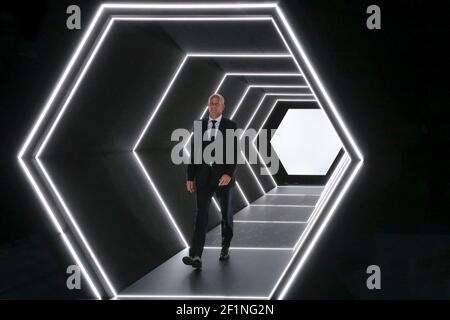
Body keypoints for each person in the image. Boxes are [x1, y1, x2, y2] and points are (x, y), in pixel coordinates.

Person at [182, 93, 238, 269]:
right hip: (203, 178)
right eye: (211, 104)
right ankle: (196, 255)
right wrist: (190, 177)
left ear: (223, 106)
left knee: (226, 216)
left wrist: (228, 173)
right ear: (208, 106)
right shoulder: (200, 125)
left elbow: (234, 153)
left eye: (216, 103)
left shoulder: (230, 125)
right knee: (201, 217)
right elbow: (194, 153)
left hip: (223, 179)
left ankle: (225, 248)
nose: (213, 106)